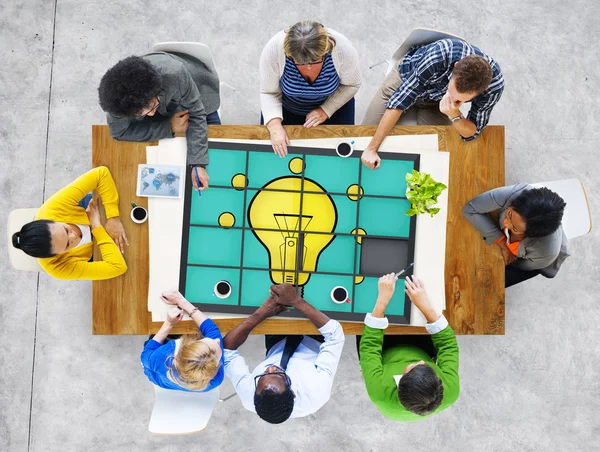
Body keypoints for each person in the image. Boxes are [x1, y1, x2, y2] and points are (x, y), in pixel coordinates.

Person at [361, 38, 504, 170]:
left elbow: (472, 132)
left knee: (435, 156)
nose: (453, 99)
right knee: (364, 137)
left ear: (484, 89)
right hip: (405, 79)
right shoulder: (440, 53)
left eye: (459, 100)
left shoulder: (494, 87)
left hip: (435, 102)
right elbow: (400, 100)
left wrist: (454, 114)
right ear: (456, 66)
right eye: (451, 91)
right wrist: (372, 149)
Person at [98, 51, 221, 192]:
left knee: (217, 150)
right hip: (170, 111)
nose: (150, 115)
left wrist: (198, 163)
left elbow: (197, 113)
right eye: (140, 113)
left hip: (198, 93)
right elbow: (119, 132)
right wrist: (169, 126)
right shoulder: (118, 103)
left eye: (152, 106)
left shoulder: (175, 74)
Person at [223, 284, 345, 424]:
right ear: (292, 393)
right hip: (316, 337)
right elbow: (335, 335)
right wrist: (295, 300)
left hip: (277, 343)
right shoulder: (316, 390)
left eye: (263, 375)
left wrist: (261, 313)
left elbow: (226, 350)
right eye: (279, 374)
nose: (270, 368)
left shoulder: (248, 394)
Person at [357, 274, 459, 421]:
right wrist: (425, 306)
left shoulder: (379, 391)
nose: (421, 362)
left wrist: (382, 301)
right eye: (428, 368)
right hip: (421, 348)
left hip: (383, 352)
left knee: (364, 312)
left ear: (400, 381)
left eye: (413, 367)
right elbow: (448, 346)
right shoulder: (450, 390)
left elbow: (369, 348)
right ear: (438, 383)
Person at [260, 20, 362, 156]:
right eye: (299, 62)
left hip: (335, 107)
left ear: (325, 51)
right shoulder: (274, 49)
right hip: (286, 108)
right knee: (275, 156)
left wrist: (326, 109)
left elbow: (352, 84)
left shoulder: (342, 49)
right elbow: (268, 92)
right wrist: (274, 125)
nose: (308, 67)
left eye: (314, 61)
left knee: (338, 158)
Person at [11, 166, 128, 280]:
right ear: (55, 256)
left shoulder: (52, 208)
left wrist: (113, 217)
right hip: (96, 248)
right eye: (67, 244)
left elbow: (101, 174)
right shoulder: (56, 268)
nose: (74, 236)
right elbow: (117, 267)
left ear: (50, 220)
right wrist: (96, 226)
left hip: (90, 210)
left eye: (66, 230)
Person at [463, 184, 568, 287]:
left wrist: (508, 261)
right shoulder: (516, 193)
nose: (505, 223)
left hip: (534, 261)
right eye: (509, 214)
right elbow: (470, 209)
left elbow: (522, 266)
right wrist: (503, 245)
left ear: (529, 234)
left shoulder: (545, 253)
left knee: (491, 283)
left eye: (515, 228)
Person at [140, 290, 224, 392]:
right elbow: (212, 330)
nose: (217, 341)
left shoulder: (162, 356)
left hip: (156, 375)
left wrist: (169, 323)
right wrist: (182, 303)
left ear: (187, 346)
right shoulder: (216, 378)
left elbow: (146, 354)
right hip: (173, 382)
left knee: (153, 340)